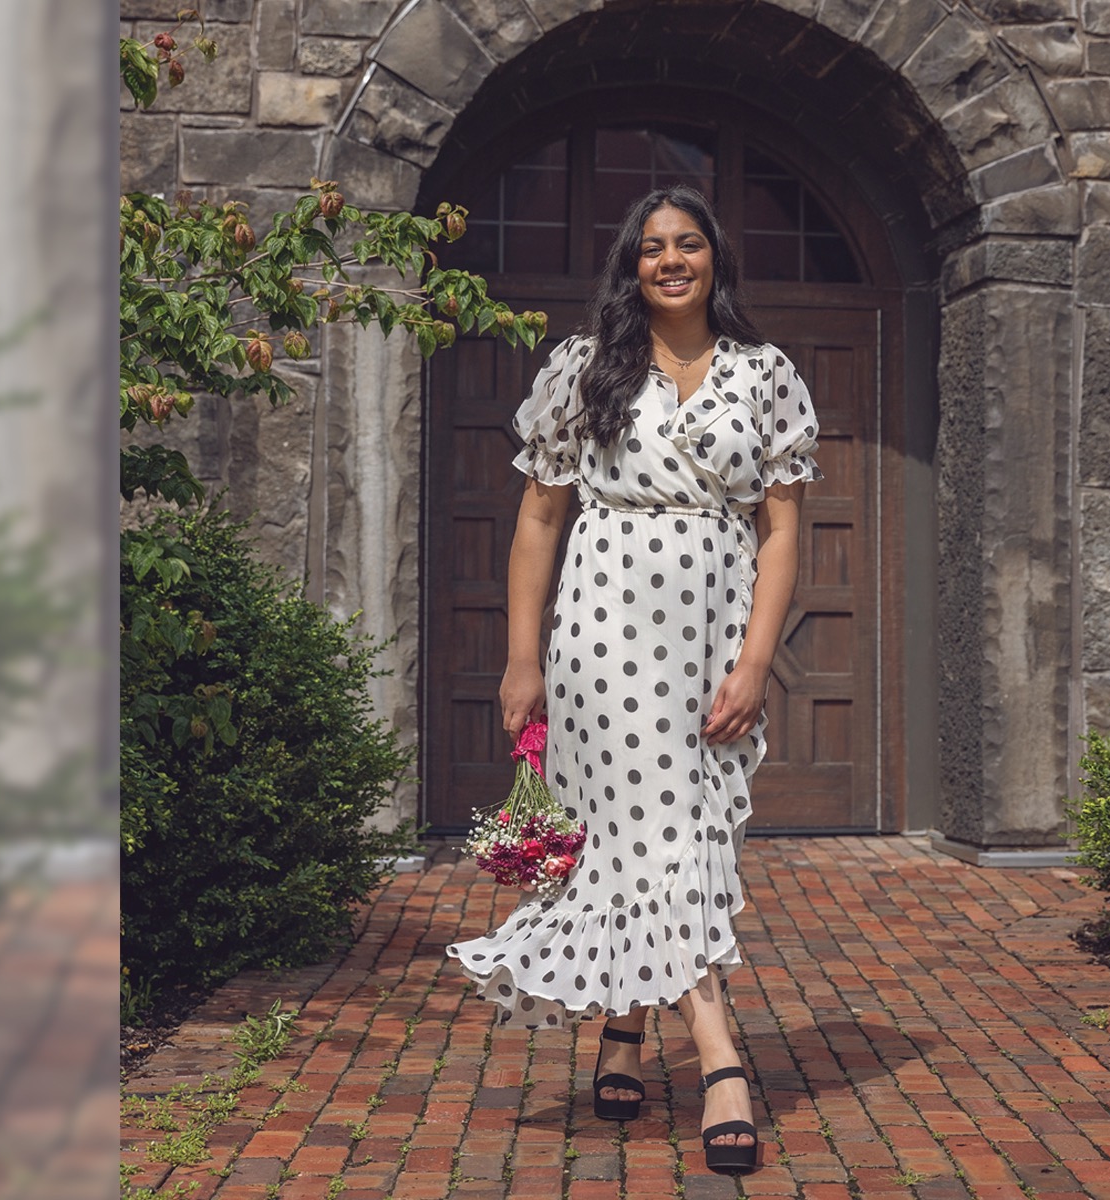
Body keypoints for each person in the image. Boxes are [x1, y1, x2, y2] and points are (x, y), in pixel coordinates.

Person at [445, 185, 821, 1176]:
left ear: (714, 257)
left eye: (688, 243)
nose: (670, 260)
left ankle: (622, 1030)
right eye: (652, 247)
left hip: (714, 632)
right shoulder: (585, 366)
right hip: (604, 631)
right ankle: (720, 1059)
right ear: (632, 265)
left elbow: (782, 530)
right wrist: (521, 656)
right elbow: (539, 517)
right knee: (656, 832)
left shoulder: (765, 373)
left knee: (668, 834)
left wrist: (755, 661)